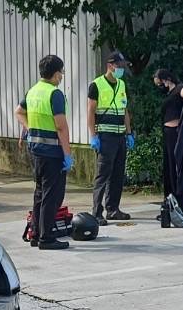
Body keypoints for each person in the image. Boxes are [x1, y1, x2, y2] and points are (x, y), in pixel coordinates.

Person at [16, 54, 75, 250]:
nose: (62, 76)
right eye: (62, 72)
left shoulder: (32, 91)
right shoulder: (54, 93)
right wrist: (67, 154)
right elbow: (61, 127)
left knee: (40, 193)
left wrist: (30, 128)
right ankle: (47, 238)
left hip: (36, 151)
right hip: (53, 152)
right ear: (56, 73)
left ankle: (36, 234)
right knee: (53, 195)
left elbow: (19, 111)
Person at [88, 51, 134, 222]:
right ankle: (97, 212)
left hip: (120, 135)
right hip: (105, 136)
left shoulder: (122, 84)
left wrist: (129, 133)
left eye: (123, 66)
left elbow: (125, 110)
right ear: (110, 65)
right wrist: (93, 136)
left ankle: (113, 209)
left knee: (118, 174)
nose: (121, 69)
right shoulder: (96, 85)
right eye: (119, 66)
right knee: (103, 174)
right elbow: (90, 111)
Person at [156, 62, 183, 223]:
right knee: (169, 172)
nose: (159, 86)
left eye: (160, 83)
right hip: (168, 135)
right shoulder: (168, 94)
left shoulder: (179, 88)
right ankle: (170, 208)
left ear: (166, 79)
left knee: (181, 170)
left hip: (177, 135)